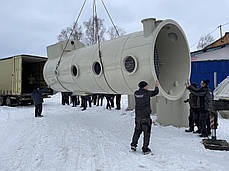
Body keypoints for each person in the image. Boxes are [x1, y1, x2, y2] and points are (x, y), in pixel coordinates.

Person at [130, 80, 159, 154]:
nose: (148, 86)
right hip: (145, 117)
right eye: (147, 85)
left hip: (138, 117)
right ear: (144, 86)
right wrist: (156, 86)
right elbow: (155, 92)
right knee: (146, 133)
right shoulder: (147, 93)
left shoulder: (136, 93)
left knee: (137, 131)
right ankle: (145, 148)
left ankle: (133, 145)